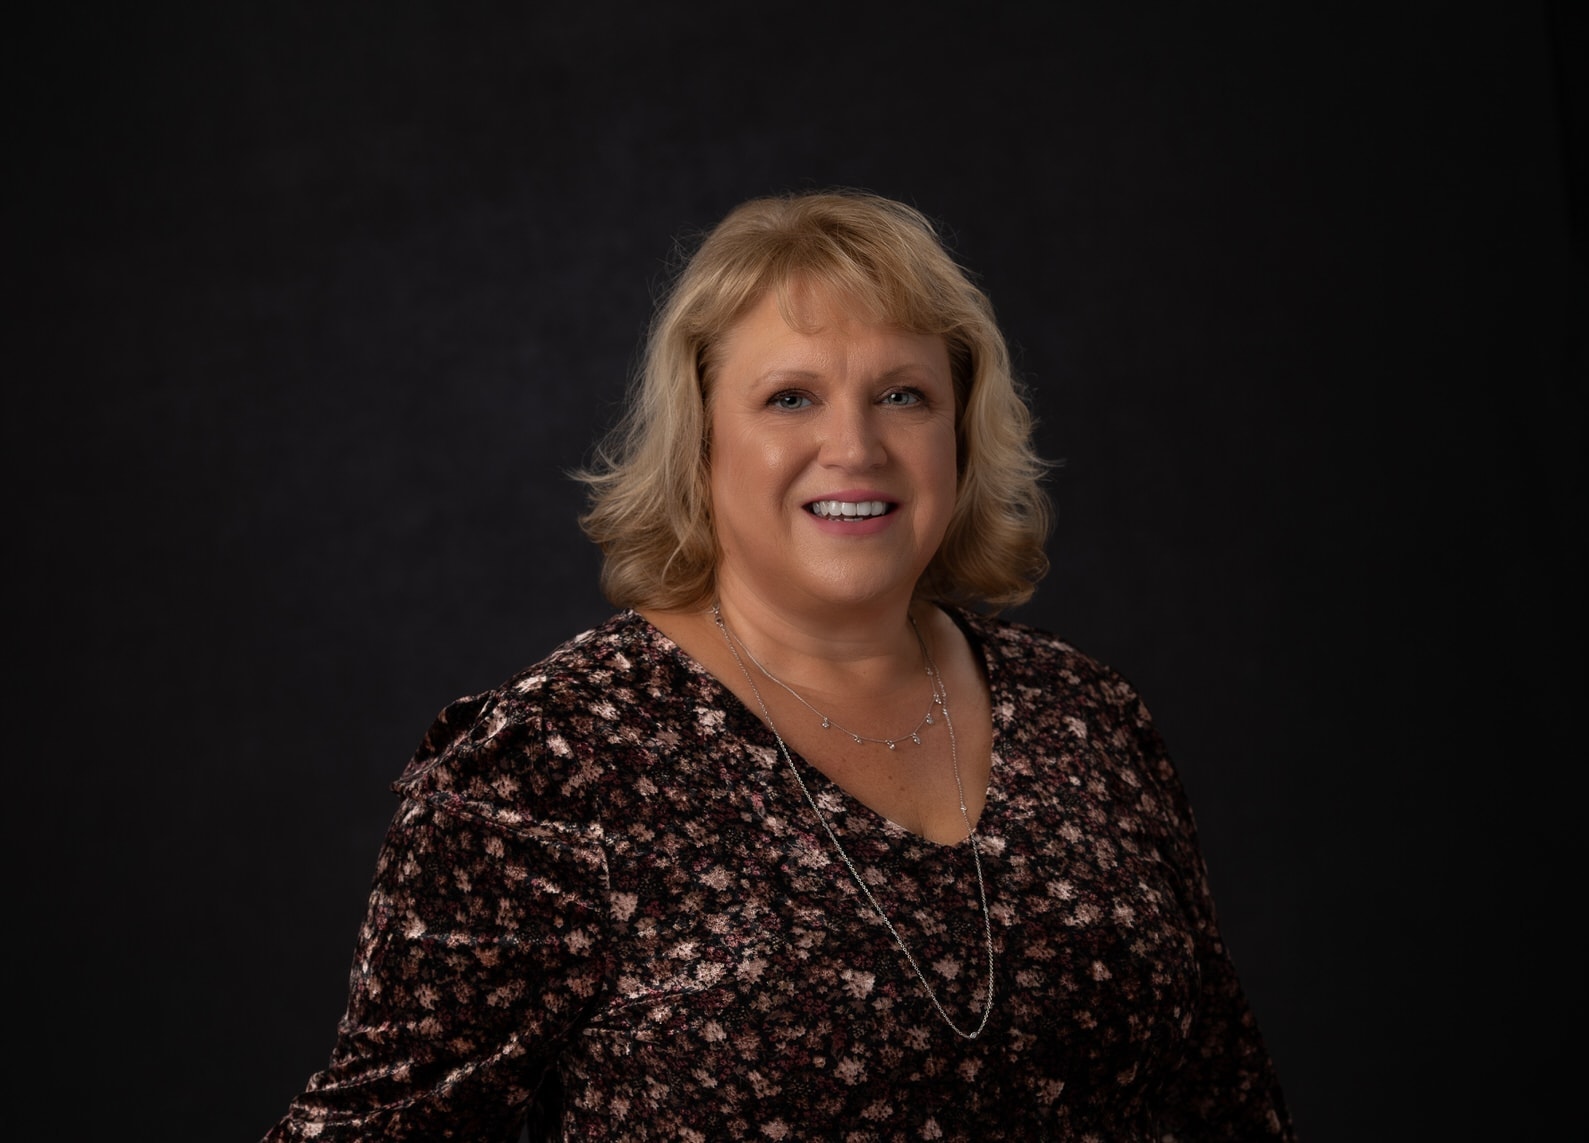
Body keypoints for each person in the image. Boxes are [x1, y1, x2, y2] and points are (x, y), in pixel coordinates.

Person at [263, 190, 1295, 1141]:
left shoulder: (1087, 717)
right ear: (702, 440)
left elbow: (1226, 1106)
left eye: (902, 395)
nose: (854, 447)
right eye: (790, 399)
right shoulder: (546, 765)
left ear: (960, 436)